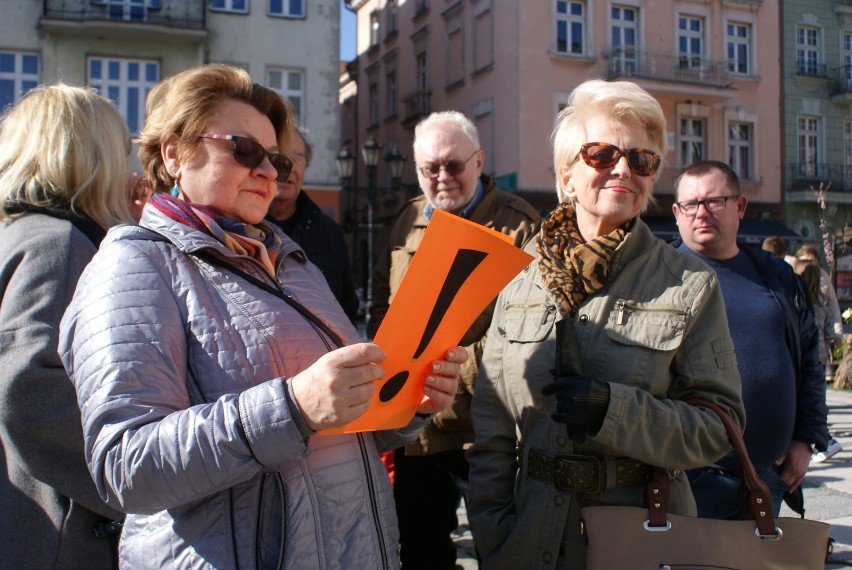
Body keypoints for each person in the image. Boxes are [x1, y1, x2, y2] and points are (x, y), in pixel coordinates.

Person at [58, 64, 467, 570]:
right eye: (244, 150)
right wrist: (292, 406)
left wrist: (408, 402)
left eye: (275, 159)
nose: (270, 172)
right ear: (175, 153)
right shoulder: (136, 263)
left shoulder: (290, 262)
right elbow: (125, 466)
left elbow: (340, 429)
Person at [466, 80, 745, 569]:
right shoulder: (519, 273)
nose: (623, 169)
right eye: (601, 154)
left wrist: (613, 410)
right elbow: (491, 428)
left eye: (642, 160)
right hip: (529, 539)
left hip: (639, 538)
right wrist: (494, 534)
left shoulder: (688, 283)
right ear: (567, 173)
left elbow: (718, 427)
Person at [368, 110, 541, 569]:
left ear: (479, 161)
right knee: (421, 546)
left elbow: (525, 331)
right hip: (415, 425)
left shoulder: (519, 226)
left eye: (454, 165)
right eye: (430, 168)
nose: (442, 177)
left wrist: (444, 378)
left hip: (484, 424)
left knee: (497, 545)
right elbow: (383, 306)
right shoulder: (406, 219)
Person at [0, 83, 142, 569]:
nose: (132, 171)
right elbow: (25, 385)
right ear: (92, 157)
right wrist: (131, 477)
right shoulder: (59, 246)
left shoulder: (18, 233)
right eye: (122, 152)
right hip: (54, 534)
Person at [672, 160, 829, 519]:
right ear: (677, 212)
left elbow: (808, 360)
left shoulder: (776, 276)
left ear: (739, 206)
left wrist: (806, 437)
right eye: (692, 205)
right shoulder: (660, 280)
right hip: (689, 479)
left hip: (768, 476)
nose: (702, 213)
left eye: (715, 201)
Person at [266, 125, 360, 323]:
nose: (288, 166)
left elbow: (346, 306)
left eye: (297, 157)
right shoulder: (241, 227)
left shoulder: (329, 232)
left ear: (306, 166)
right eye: (280, 155)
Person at [795, 243, 843, 338]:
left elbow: (833, 304)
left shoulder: (823, 276)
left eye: (812, 261)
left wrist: (838, 332)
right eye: (805, 261)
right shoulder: (794, 291)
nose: (809, 266)